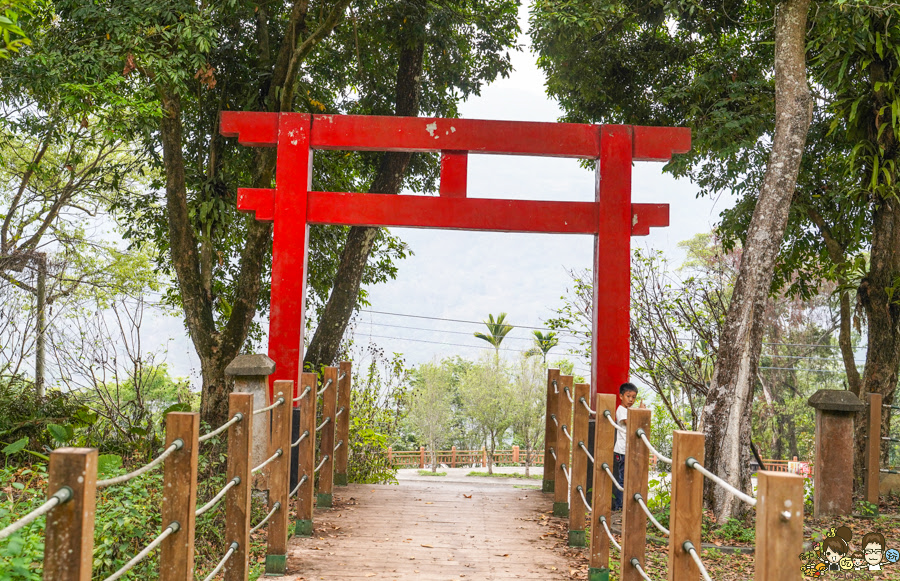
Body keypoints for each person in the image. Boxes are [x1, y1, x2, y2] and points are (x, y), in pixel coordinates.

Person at [611, 382, 645, 511]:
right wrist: (642, 412)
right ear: (621, 396)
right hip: (622, 450)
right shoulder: (621, 410)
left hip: (628, 450)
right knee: (623, 479)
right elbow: (630, 422)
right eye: (628, 396)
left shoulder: (629, 410)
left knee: (629, 478)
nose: (631, 400)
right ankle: (620, 506)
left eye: (634, 397)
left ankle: (626, 505)